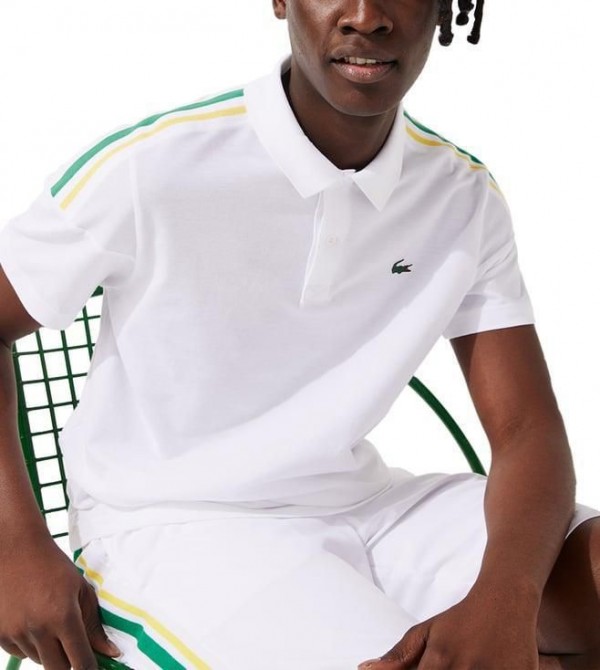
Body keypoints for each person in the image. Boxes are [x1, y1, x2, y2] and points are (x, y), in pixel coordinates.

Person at [0, 0, 599, 668]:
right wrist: (11, 547)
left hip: (371, 507)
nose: (366, 15)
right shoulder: (153, 166)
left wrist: (508, 597)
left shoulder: (461, 194)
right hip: (176, 527)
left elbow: (526, 429)